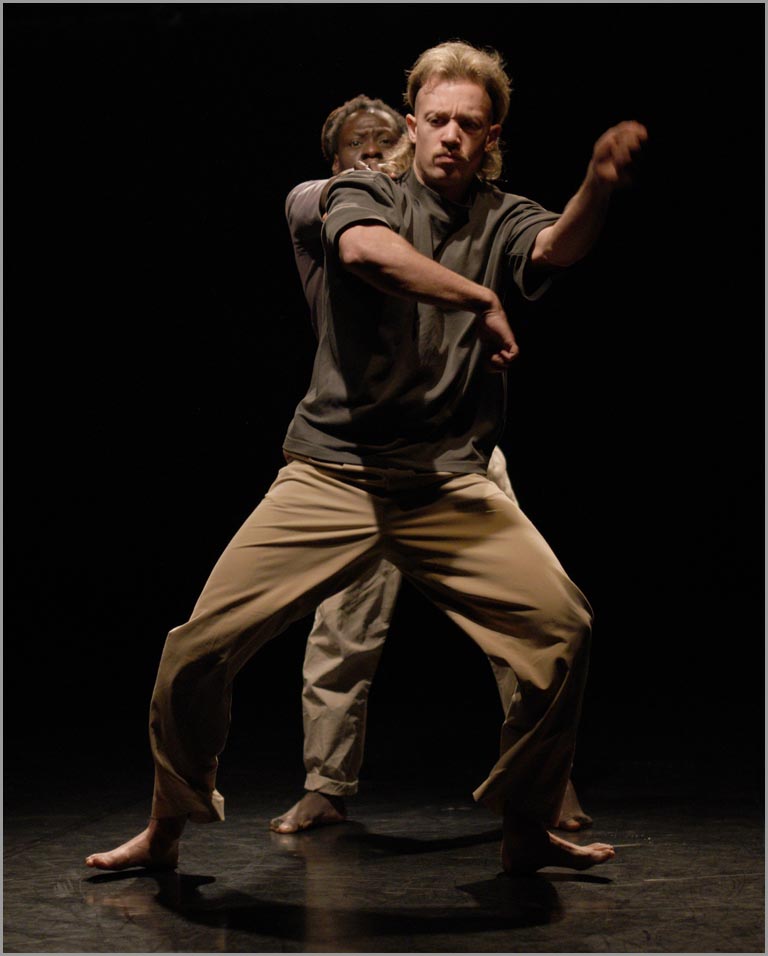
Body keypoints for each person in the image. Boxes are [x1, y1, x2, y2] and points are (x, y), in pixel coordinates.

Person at [86, 39, 646, 876]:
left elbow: (555, 249)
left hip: (446, 483)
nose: (451, 135)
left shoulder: (502, 214)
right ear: (412, 124)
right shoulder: (364, 190)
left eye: (469, 123)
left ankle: (527, 826)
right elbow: (363, 253)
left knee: (562, 629)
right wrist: (478, 297)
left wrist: (596, 185)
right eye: (436, 119)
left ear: (491, 136)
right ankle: (167, 826)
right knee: (196, 651)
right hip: (332, 474)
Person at [271, 93, 591, 836]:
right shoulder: (324, 204)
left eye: (388, 141)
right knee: (341, 629)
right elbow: (357, 236)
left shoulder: (454, 210)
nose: (376, 154)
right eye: (359, 146)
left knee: (528, 622)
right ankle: (326, 783)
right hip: (359, 461)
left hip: (457, 455)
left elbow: (541, 245)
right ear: (336, 161)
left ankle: (545, 780)